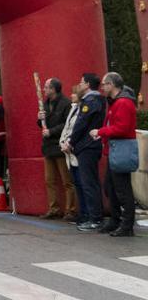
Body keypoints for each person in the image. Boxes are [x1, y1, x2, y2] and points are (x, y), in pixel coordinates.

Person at [90, 72, 137, 237]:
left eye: (104, 84)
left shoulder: (123, 103)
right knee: (111, 187)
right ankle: (116, 220)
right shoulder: (116, 102)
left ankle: (127, 225)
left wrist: (100, 131)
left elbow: (122, 128)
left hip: (121, 149)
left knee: (122, 190)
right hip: (115, 149)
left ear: (112, 85)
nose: (102, 88)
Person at [68, 73, 106, 231]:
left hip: (87, 146)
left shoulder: (91, 101)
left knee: (89, 183)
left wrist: (71, 141)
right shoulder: (94, 100)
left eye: (81, 82)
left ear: (88, 84)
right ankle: (95, 216)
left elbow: (81, 123)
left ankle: (95, 218)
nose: (79, 85)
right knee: (91, 183)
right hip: (88, 145)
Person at [36, 78, 76, 220]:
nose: (44, 90)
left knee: (67, 180)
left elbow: (68, 124)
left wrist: (51, 131)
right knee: (49, 180)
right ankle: (54, 208)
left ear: (54, 89)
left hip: (60, 146)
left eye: (47, 87)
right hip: (48, 147)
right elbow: (42, 124)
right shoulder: (45, 104)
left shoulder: (66, 104)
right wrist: (39, 118)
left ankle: (71, 210)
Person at [59, 87, 87, 225]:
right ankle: (82, 213)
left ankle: (86, 213)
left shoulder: (82, 110)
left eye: (74, 93)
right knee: (77, 183)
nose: (71, 95)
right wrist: (62, 142)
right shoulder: (73, 108)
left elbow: (76, 128)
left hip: (75, 150)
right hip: (68, 149)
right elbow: (67, 127)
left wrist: (69, 143)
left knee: (82, 183)